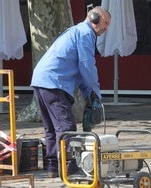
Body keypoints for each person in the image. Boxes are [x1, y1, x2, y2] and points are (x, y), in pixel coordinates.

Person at [30, 6, 111, 178]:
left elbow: (80, 72)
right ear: (94, 18)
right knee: (67, 127)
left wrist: (89, 94)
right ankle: (69, 167)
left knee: (51, 128)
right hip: (54, 82)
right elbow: (87, 66)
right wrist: (96, 92)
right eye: (105, 23)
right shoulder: (85, 34)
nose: (106, 28)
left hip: (41, 80)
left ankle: (53, 167)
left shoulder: (76, 31)